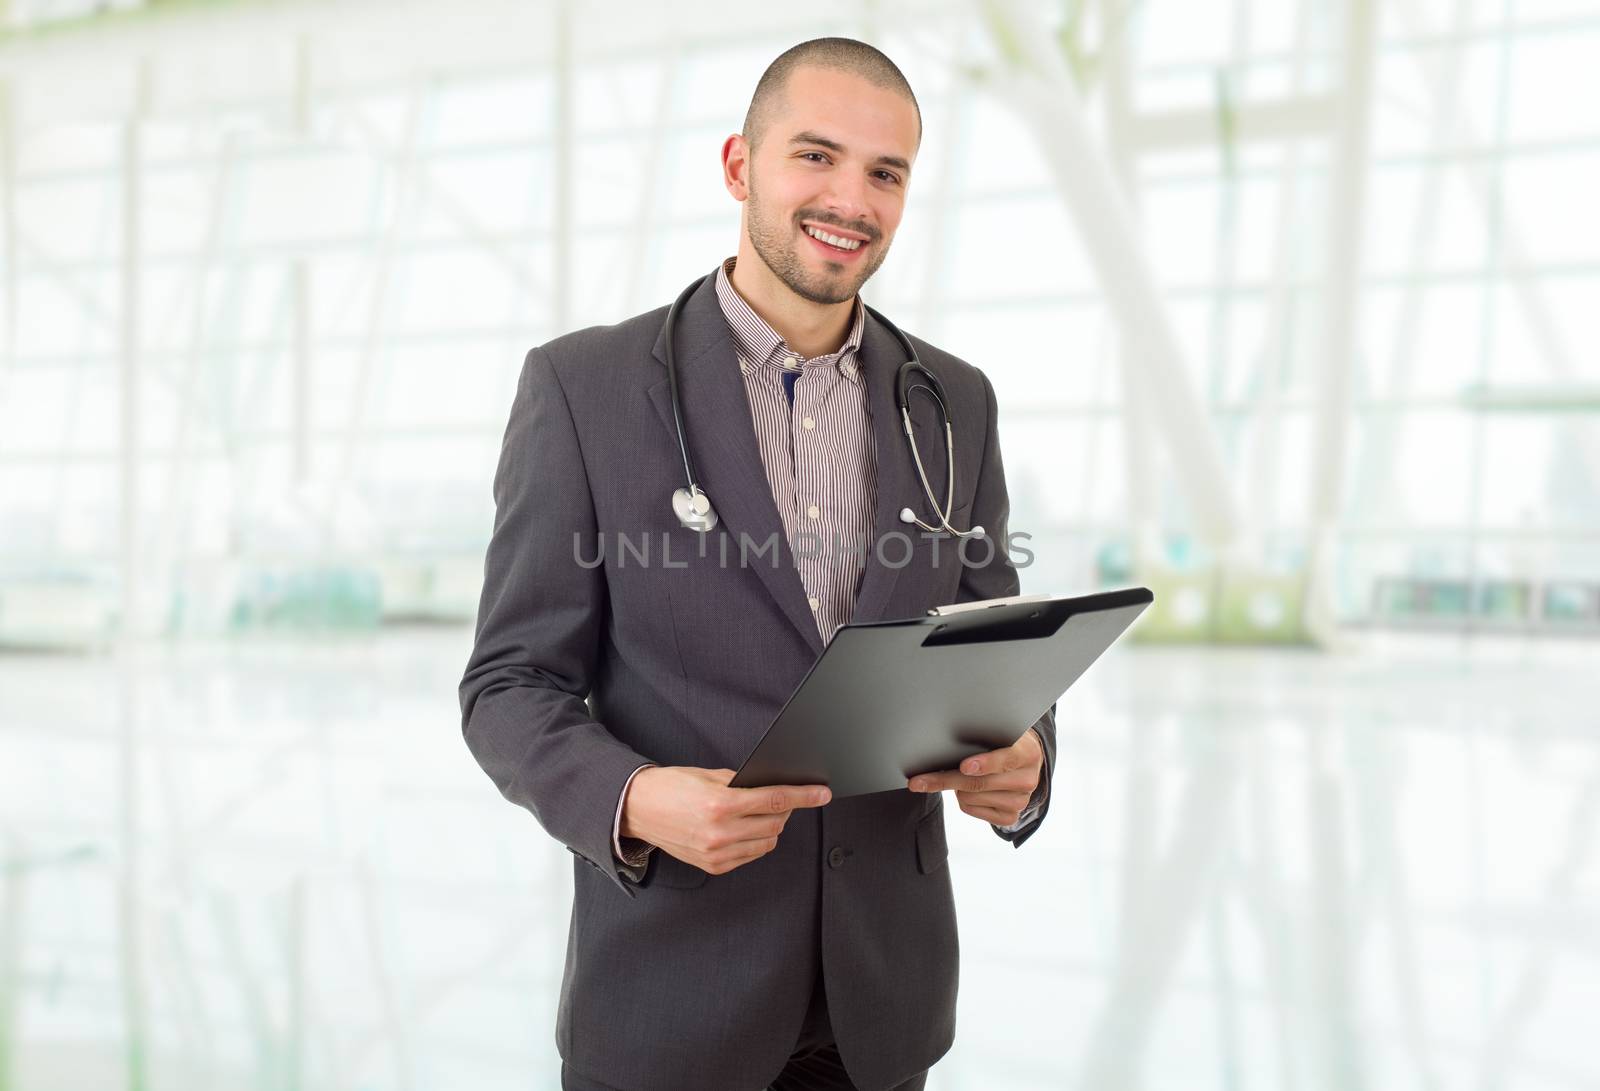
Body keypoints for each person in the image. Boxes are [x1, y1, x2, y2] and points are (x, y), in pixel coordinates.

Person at [459, 37, 1056, 1091]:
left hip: (882, 1006)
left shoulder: (952, 400)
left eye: (886, 172)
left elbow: (984, 636)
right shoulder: (585, 389)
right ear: (740, 167)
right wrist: (634, 797)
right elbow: (509, 684)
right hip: (671, 997)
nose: (850, 199)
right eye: (814, 157)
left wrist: (1025, 757)